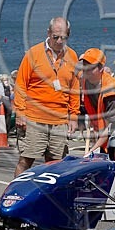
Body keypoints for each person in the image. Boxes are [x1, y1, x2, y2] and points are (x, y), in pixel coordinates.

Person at [13, 17, 80, 176]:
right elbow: (21, 84)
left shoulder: (72, 56)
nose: (58, 41)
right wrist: (20, 113)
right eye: (55, 36)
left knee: (56, 164)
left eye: (63, 37)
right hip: (34, 118)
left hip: (59, 120)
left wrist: (74, 116)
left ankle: (50, 198)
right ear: (48, 33)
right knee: (26, 160)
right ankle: (15, 194)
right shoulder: (34, 53)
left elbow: (75, 88)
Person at [78, 48, 115, 151]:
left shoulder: (111, 91)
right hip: (107, 128)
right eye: (84, 65)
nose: (86, 69)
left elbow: (111, 127)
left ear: (101, 68)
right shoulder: (84, 79)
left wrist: (93, 149)